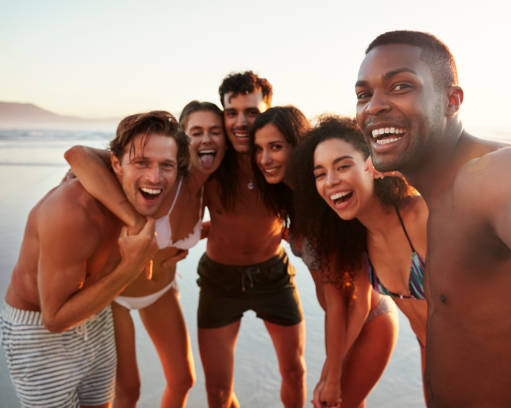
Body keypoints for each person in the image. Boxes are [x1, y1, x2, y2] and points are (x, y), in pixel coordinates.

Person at [355, 30, 511, 407]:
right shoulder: (438, 187)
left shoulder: (497, 175)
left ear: (451, 101)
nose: (373, 106)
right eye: (364, 94)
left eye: (400, 86)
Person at [0, 110, 183, 407]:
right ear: (115, 164)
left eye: (166, 165)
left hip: (96, 316)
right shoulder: (72, 211)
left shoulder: (149, 194)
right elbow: (55, 319)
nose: (155, 176)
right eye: (141, 162)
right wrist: (132, 265)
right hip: (39, 333)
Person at [63, 101, 227, 408]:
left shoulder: (209, 187)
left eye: (215, 132)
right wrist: (137, 223)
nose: (206, 140)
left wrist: (195, 237)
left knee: (182, 381)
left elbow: (197, 227)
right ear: (181, 140)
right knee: (128, 391)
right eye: (196, 132)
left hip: (161, 291)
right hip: (115, 297)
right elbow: (78, 156)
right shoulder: (158, 176)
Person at [250, 108, 399, 408]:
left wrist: (332, 372)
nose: (265, 158)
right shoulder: (299, 201)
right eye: (259, 149)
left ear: (300, 148)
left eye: (276, 147)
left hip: (368, 324)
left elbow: (355, 299)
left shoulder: (326, 207)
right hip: (345, 327)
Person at [289, 115, 429, 404]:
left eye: (343, 166)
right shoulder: (359, 241)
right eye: (320, 173)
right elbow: (354, 304)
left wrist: (407, 172)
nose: (331, 181)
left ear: (372, 165)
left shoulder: (419, 214)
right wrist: (331, 376)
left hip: (484, 355)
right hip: (432, 357)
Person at [197, 72, 305, 408]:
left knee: (295, 372)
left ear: (269, 111)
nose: (241, 122)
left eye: (252, 112)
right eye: (232, 113)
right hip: (219, 280)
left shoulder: (281, 159)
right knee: (217, 391)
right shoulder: (211, 162)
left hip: (272, 276)